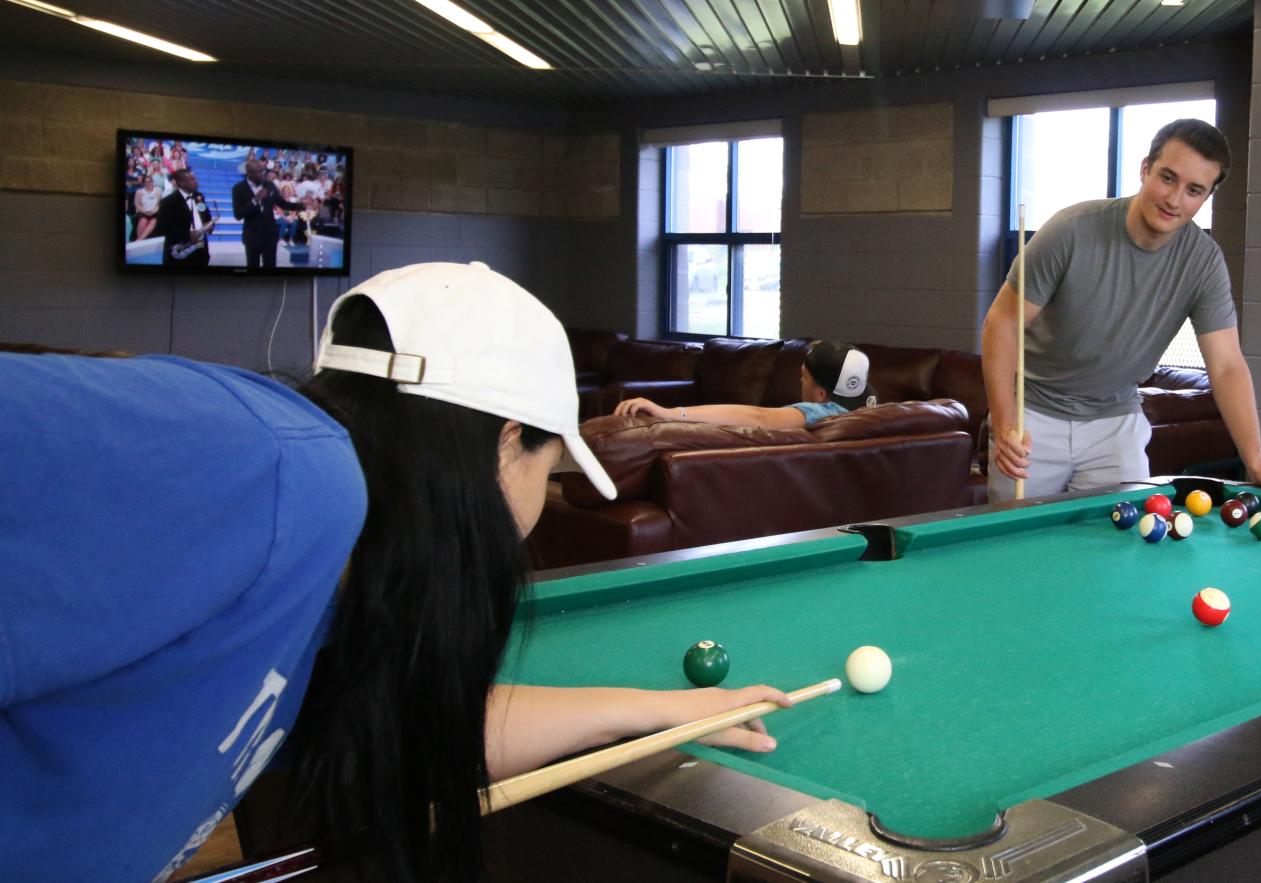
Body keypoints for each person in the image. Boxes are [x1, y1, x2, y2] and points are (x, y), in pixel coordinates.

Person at [0, 262, 794, 882]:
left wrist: (654, 710)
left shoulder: (329, 571)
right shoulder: (278, 464)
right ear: (504, 442)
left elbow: (420, 725)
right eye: (550, 472)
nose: (543, 509)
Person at [982, 119, 1261, 502]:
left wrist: (1257, 463)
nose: (1175, 199)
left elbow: (1227, 365)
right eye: (1167, 178)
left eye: (1194, 190)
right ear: (1145, 169)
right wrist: (1005, 419)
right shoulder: (1071, 230)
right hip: (1033, 415)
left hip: (1116, 421)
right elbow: (1003, 323)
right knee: (1018, 546)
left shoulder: (1203, 262)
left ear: (1206, 197)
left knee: (1125, 547)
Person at [613, 340, 875, 428]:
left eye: (804, 377)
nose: (800, 382)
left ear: (820, 393)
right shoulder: (872, 408)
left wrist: (671, 413)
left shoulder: (824, 413)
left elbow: (756, 416)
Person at [233, 158, 306, 270]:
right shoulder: (238, 189)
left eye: (262, 171)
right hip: (252, 237)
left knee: (271, 269)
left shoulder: (270, 185)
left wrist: (300, 206)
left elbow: (282, 203)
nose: (261, 175)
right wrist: (255, 199)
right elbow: (238, 215)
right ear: (249, 173)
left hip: (270, 236)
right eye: (257, 172)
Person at [155, 167, 213, 268]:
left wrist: (210, 224)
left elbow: (206, 216)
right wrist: (187, 235)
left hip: (201, 251)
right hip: (181, 254)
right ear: (182, 183)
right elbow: (162, 228)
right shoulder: (168, 202)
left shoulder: (199, 197)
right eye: (192, 179)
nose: (196, 181)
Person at [131, 175, 161, 241]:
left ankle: (139, 240)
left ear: (152, 182)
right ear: (144, 183)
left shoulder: (157, 191)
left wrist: (153, 211)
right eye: (146, 182)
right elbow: (137, 204)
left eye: (150, 181)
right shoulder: (139, 192)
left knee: (153, 222)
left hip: (154, 212)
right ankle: (139, 241)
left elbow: (159, 204)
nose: (148, 183)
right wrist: (145, 212)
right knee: (143, 221)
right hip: (143, 212)